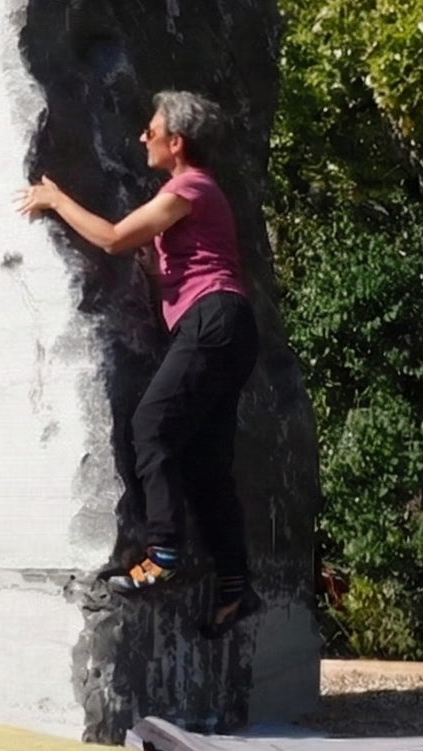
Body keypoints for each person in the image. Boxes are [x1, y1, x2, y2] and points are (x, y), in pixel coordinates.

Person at [15, 92, 261, 636]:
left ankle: (163, 556)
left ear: (177, 142)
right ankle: (235, 585)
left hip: (213, 321)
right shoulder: (195, 194)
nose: (141, 138)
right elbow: (162, 262)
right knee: (204, 463)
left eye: (151, 131)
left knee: (150, 426)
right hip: (229, 325)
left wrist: (56, 200)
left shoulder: (187, 187)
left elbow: (113, 238)